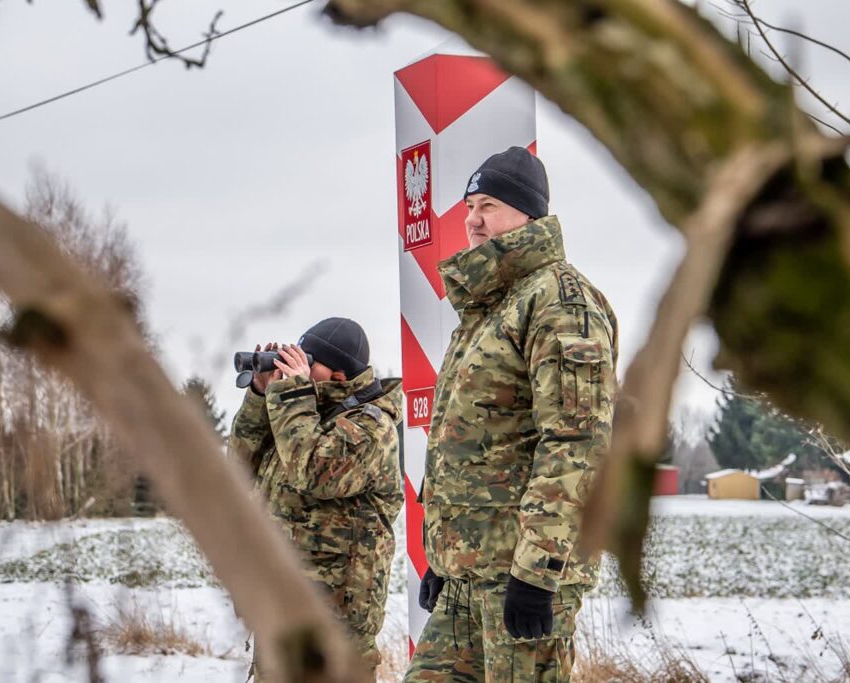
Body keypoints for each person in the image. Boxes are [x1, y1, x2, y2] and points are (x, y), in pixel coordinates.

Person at [406, 147, 619, 682]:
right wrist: (444, 553)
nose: (473, 220)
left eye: (490, 205)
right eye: (469, 205)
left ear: (530, 215)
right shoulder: (488, 307)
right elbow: (473, 441)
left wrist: (538, 571)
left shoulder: (560, 302)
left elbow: (576, 444)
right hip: (468, 574)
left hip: (521, 578)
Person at [229, 317, 403, 679]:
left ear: (340, 375)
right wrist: (262, 397)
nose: (299, 366)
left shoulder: (371, 426)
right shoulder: (300, 416)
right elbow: (240, 468)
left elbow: (314, 473)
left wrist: (292, 395)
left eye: (309, 360)